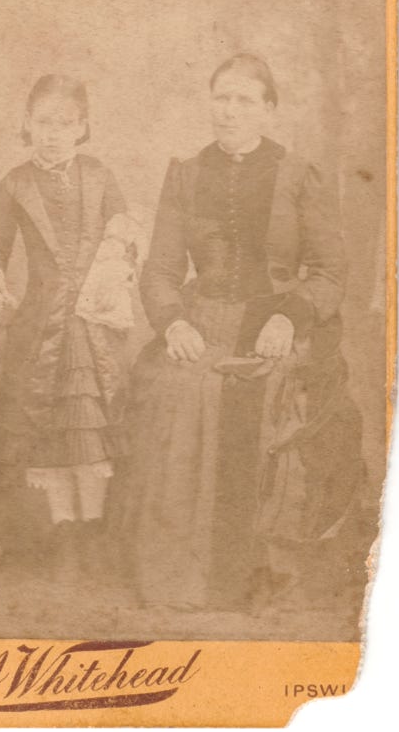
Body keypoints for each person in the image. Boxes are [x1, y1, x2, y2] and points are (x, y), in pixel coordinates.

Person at [120, 54, 363, 614]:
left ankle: (256, 575)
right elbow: (160, 270)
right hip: (202, 323)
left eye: (244, 100)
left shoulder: (297, 175)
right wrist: (174, 321)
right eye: (221, 98)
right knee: (179, 386)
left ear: (268, 111)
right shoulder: (185, 173)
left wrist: (289, 317)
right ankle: (182, 577)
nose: (229, 111)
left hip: (276, 325)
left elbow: (330, 270)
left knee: (273, 394)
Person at [0, 74, 141, 574]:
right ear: (27, 123)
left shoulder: (99, 175)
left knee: (89, 426)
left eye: (65, 123)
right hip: (41, 324)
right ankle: (65, 532)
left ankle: (92, 531)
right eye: (43, 122)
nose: (53, 133)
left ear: (82, 127)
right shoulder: (14, 183)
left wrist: (120, 251)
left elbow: (124, 229)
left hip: (92, 323)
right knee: (51, 428)